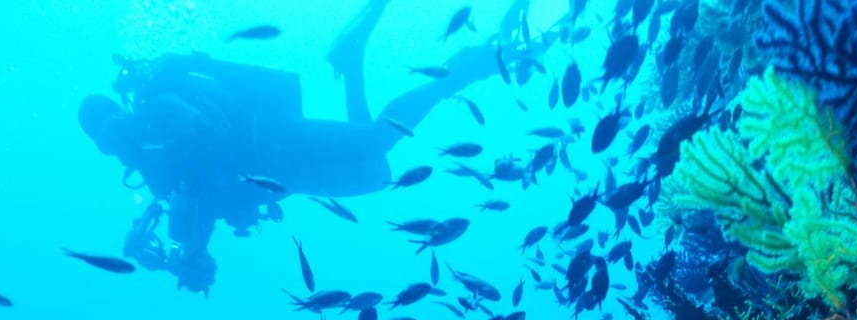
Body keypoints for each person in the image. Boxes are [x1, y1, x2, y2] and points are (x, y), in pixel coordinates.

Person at [78, 0, 534, 292]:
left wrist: (183, 194)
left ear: (119, 113)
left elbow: (208, 134)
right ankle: (351, 58)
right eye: (100, 141)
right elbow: (205, 249)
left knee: (377, 140)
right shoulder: (154, 172)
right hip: (279, 177)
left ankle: (464, 70)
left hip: (273, 139)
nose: (110, 142)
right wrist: (179, 261)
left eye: (107, 128)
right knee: (375, 171)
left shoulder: (159, 108)